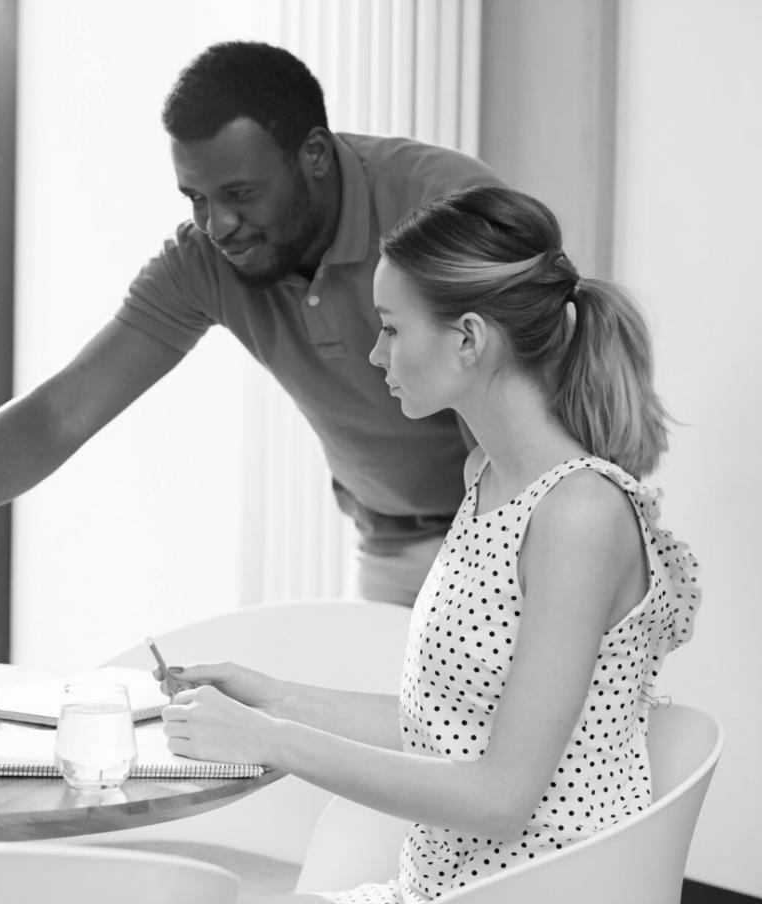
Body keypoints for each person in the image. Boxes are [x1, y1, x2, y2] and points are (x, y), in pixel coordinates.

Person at [0, 41, 502, 606]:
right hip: (385, 544)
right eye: (194, 196)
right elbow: (59, 414)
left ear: (313, 155)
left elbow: (519, 403)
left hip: (503, 536)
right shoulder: (204, 259)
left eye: (239, 193)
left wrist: (496, 561)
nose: (216, 223)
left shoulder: (445, 207)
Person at [156, 184, 701, 903]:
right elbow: (447, 726)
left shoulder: (578, 513)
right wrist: (270, 700)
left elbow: (500, 794)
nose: (374, 351)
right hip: (442, 889)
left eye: (389, 327)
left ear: (468, 339)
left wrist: (266, 741)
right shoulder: (489, 480)